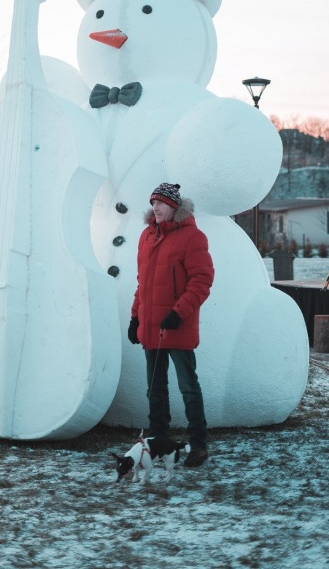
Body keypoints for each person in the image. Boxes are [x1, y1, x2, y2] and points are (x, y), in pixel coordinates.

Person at [128, 182, 214, 467]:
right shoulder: (146, 236)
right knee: (155, 389)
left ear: (174, 207)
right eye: (153, 202)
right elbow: (144, 283)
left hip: (178, 326)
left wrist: (178, 313)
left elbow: (202, 281)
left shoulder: (193, 237)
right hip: (151, 327)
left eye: (161, 203)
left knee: (188, 387)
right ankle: (158, 442)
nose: (156, 207)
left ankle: (199, 446)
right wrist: (135, 317)